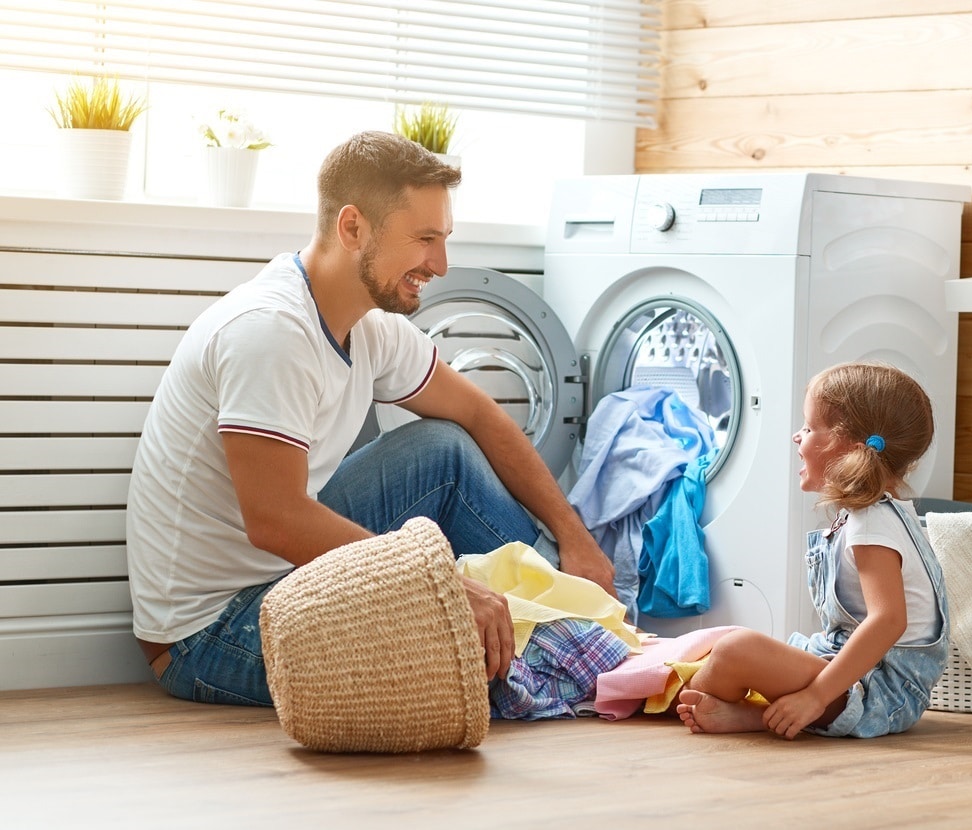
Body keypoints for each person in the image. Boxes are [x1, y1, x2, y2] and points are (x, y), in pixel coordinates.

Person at [126, 130, 616, 706]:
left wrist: (576, 537)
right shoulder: (271, 331)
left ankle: (581, 616)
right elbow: (277, 521)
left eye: (444, 238)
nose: (440, 263)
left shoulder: (368, 326)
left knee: (443, 448)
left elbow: (480, 415)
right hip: (211, 633)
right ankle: (576, 650)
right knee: (460, 654)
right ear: (352, 227)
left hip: (282, 577)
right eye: (425, 239)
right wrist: (441, 589)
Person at [675, 362, 949, 740]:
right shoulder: (869, 514)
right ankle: (754, 716)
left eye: (807, 427)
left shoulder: (872, 521)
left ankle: (664, 696)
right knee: (726, 645)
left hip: (882, 692)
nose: (796, 436)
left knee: (735, 650)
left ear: (844, 446)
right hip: (856, 672)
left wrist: (816, 696)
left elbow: (889, 621)